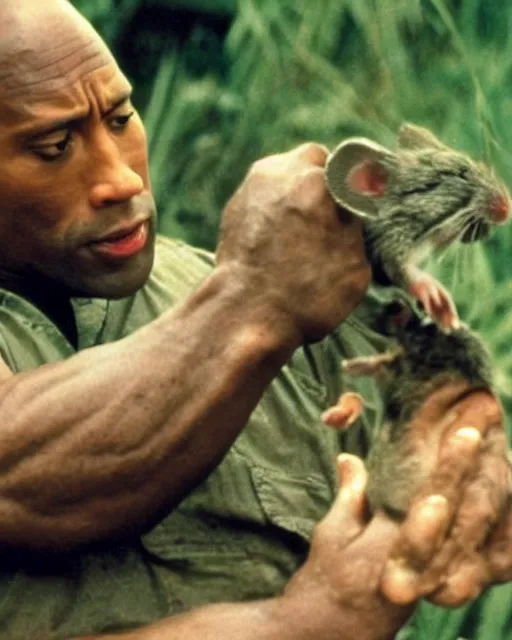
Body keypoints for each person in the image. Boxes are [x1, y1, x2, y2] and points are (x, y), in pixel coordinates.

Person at [0, 1, 509, 639]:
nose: (122, 178)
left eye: (123, 117)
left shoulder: (236, 289)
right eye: (56, 146)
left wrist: (466, 456)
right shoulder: (256, 295)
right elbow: (20, 471)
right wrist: (298, 627)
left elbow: (421, 422)